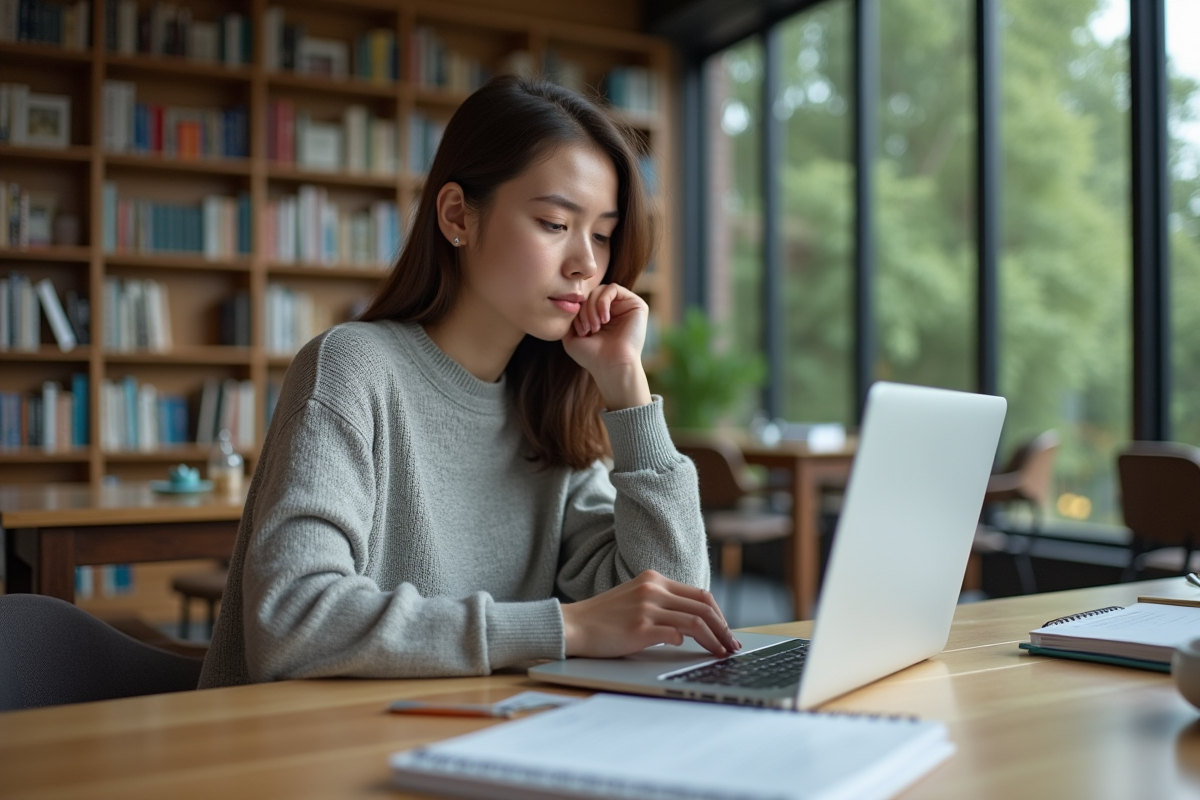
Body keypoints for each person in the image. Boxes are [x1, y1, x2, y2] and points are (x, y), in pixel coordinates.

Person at [199, 76, 739, 689]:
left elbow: (670, 607)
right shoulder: (351, 368)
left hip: (477, 731)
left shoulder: (550, 408)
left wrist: (626, 385)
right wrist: (565, 627)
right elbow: (290, 621)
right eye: (554, 223)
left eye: (602, 234)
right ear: (458, 214)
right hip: (311, 740)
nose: (586, 264)